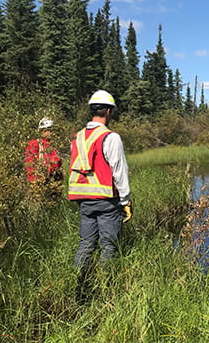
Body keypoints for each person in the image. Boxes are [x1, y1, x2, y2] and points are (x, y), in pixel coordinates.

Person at [68, 90, 133, 301]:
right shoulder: (110, 137)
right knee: (108, 246)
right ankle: (105, 290)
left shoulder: (77, 137)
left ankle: (78, 286)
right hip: (107, 201)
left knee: (86, 244)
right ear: (108, 111)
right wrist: (126, 201)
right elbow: (119, 171)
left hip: (83, 201)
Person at [25, 117, 63, 192]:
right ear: (42, 131)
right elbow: (29, 165)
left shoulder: (53, 146)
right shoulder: (35, 144)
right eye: (48, 130)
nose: (51, 132)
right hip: (40, 183)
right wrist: (36, 182)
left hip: (54, 184)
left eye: (51, 130)